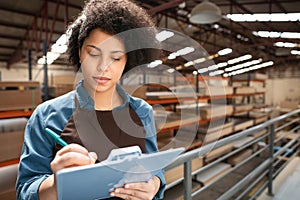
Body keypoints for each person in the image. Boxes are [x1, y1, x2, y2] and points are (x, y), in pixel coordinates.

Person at [16, 0, 166, 199]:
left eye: (116, 57)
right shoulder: (46, 115)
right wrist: (56, 184)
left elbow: (154, 169)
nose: (103, 66)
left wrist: (153, 186)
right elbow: (25, 190)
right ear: (79, 52)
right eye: (94, 53)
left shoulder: (142, 111)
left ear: (128, 60)